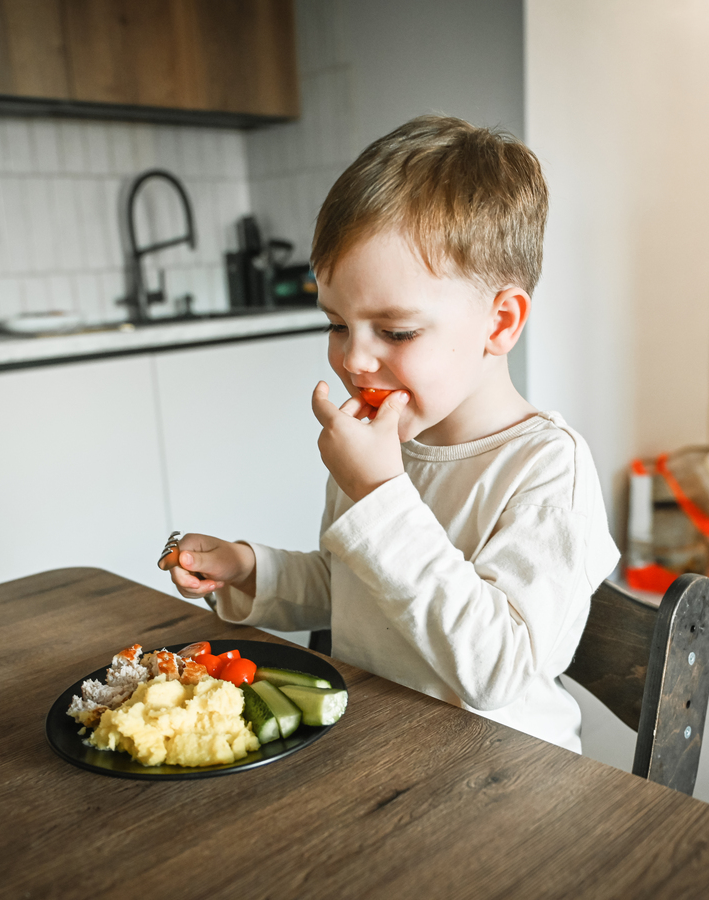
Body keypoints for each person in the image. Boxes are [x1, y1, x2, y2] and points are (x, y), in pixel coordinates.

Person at [161, 115, 618, 752]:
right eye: (337, 324)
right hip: (376, 753)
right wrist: (249, 570)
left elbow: (499, 671)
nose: (353, 359)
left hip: (503, 785)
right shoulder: (384, 444)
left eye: (396, 332)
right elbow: (354, 588)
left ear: (500, 322)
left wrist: (379, 494)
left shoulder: (546, 471)